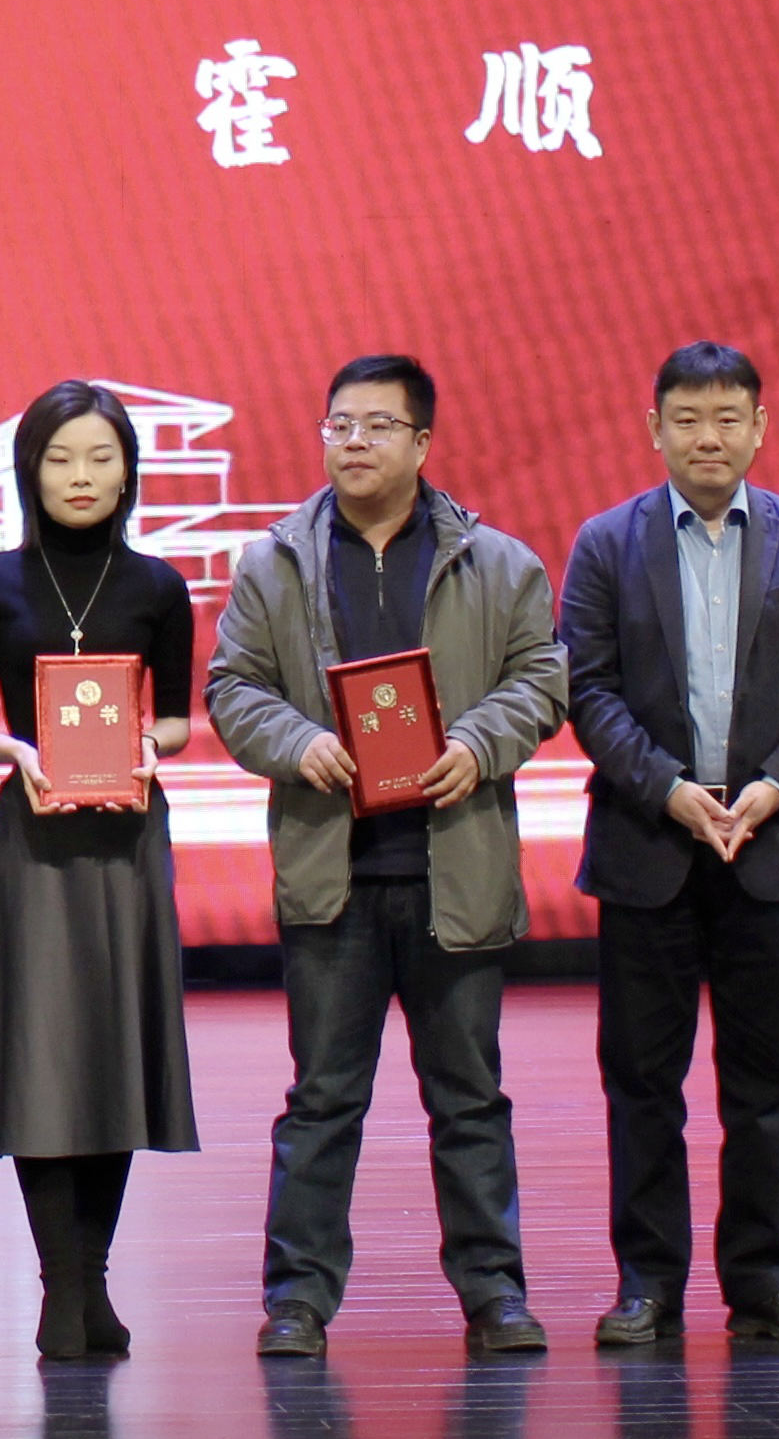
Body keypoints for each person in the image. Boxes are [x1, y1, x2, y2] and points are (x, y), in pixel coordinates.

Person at [206, 354, 570, 1359]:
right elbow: (232, 685)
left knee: (469, 1100)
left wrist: (476, 744)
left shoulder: (496, 562)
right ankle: (297, 1300)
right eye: (339, 424)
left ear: (421, 442)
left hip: (455, 870)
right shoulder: (274, 562)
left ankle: (494, 1293)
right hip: (333, 877)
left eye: (376, 425)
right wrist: (297, 742)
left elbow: (541, 675)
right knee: (322, 1100)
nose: (354, 441)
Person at [563, 342, 779, 1348]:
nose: (707, 436)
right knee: (642, 1085)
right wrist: (668, 790)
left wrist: (777, 785)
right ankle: (646, 1286)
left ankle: (763, 1282)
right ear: (653, 428)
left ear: (758, 428)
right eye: (687, 418)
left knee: (765, 1087)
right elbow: (587, 688)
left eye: (727, 417)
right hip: (647, 846)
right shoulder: (605, 543)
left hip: (767, 848)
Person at [0, 381, 202, 1361]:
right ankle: (62, 1286)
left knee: (114, 1049)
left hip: (127, 836)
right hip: (37, 836)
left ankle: (90, 1279)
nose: (81, 476)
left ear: (128, 470)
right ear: (30, 470)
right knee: (43, 1055)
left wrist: (148, 745)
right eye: (60, 458)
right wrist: (14, 749)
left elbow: (175, 717)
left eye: (100, 457)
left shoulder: (158, 585)